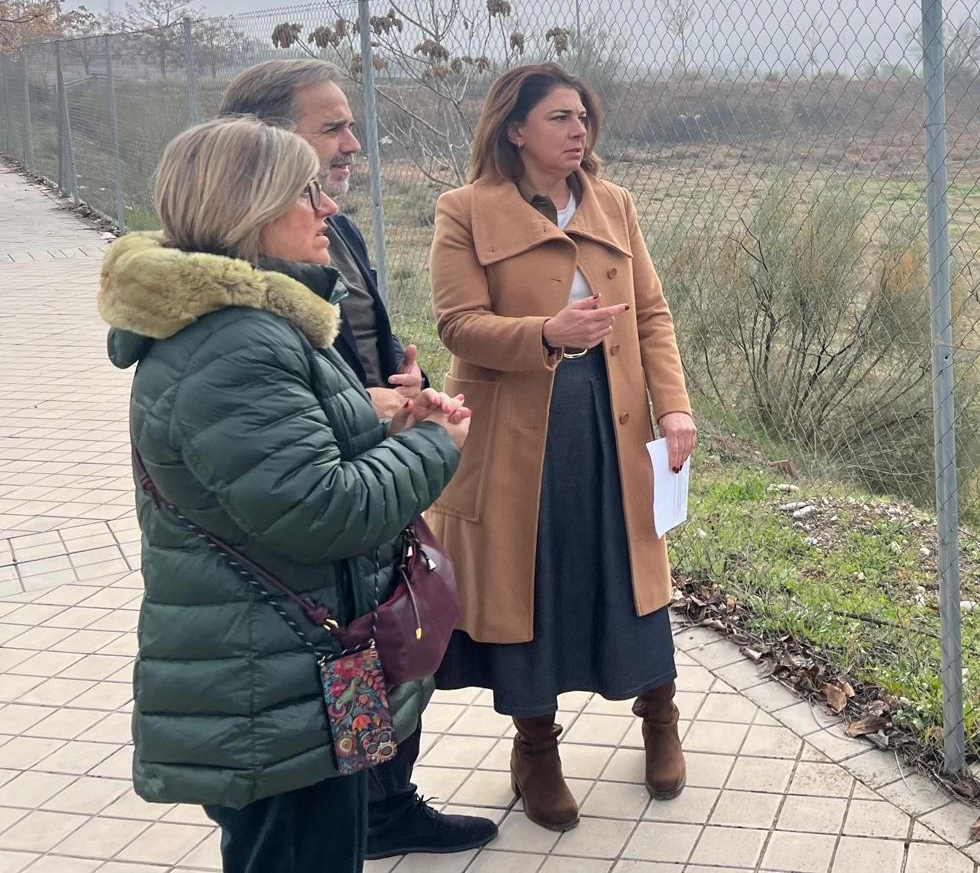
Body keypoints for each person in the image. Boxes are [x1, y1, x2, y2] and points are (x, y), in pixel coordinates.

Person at [99, 117, 471, 873]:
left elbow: (275, 458)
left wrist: (378, 413)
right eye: (307, 192)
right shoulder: (236, 339)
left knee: (329, 844)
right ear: (251, 207)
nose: (328, 208)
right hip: (273, 686)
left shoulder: (257, 325)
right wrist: (437, 446)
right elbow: (322, 510)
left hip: (306, 670)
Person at [218, 59, 498, 858]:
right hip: (343, 492)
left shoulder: (327, 225)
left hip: (371, 455)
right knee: (345, 681)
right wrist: (417, 438)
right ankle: (369, 806)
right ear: (267, 141)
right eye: (332, 126)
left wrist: (396, 387)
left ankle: (382, 803)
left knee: (389, 648)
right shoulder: (238, 314)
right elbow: (298, 458)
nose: (352, 144)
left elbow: (349, 349)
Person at [427, 62, 697, 832]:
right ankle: (535, 749)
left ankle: (659, 716)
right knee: (531, 579)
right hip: (515, 433)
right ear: (515, 128)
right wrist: (545, 333)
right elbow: (457, 325)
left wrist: (673, 408)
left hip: (613, 421)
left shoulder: (614, 205)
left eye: (584, 117)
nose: (579, 129)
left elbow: (651, 316)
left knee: (629, 566)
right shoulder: (464, 210)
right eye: (559, 118)